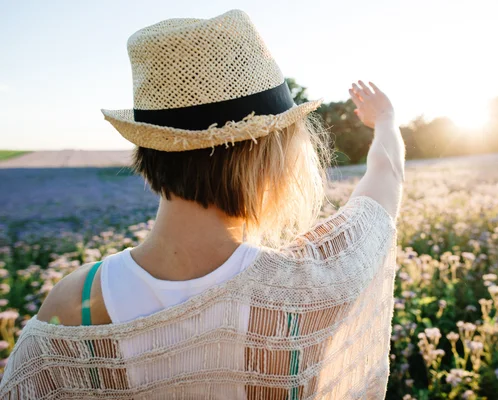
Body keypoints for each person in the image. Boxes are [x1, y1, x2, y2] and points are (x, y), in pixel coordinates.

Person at [0, 9, 405, 399]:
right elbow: (384, 180)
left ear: (153, 146)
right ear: (267, 156)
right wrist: (385, 120)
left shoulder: (76, 305)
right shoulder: (308, 287)